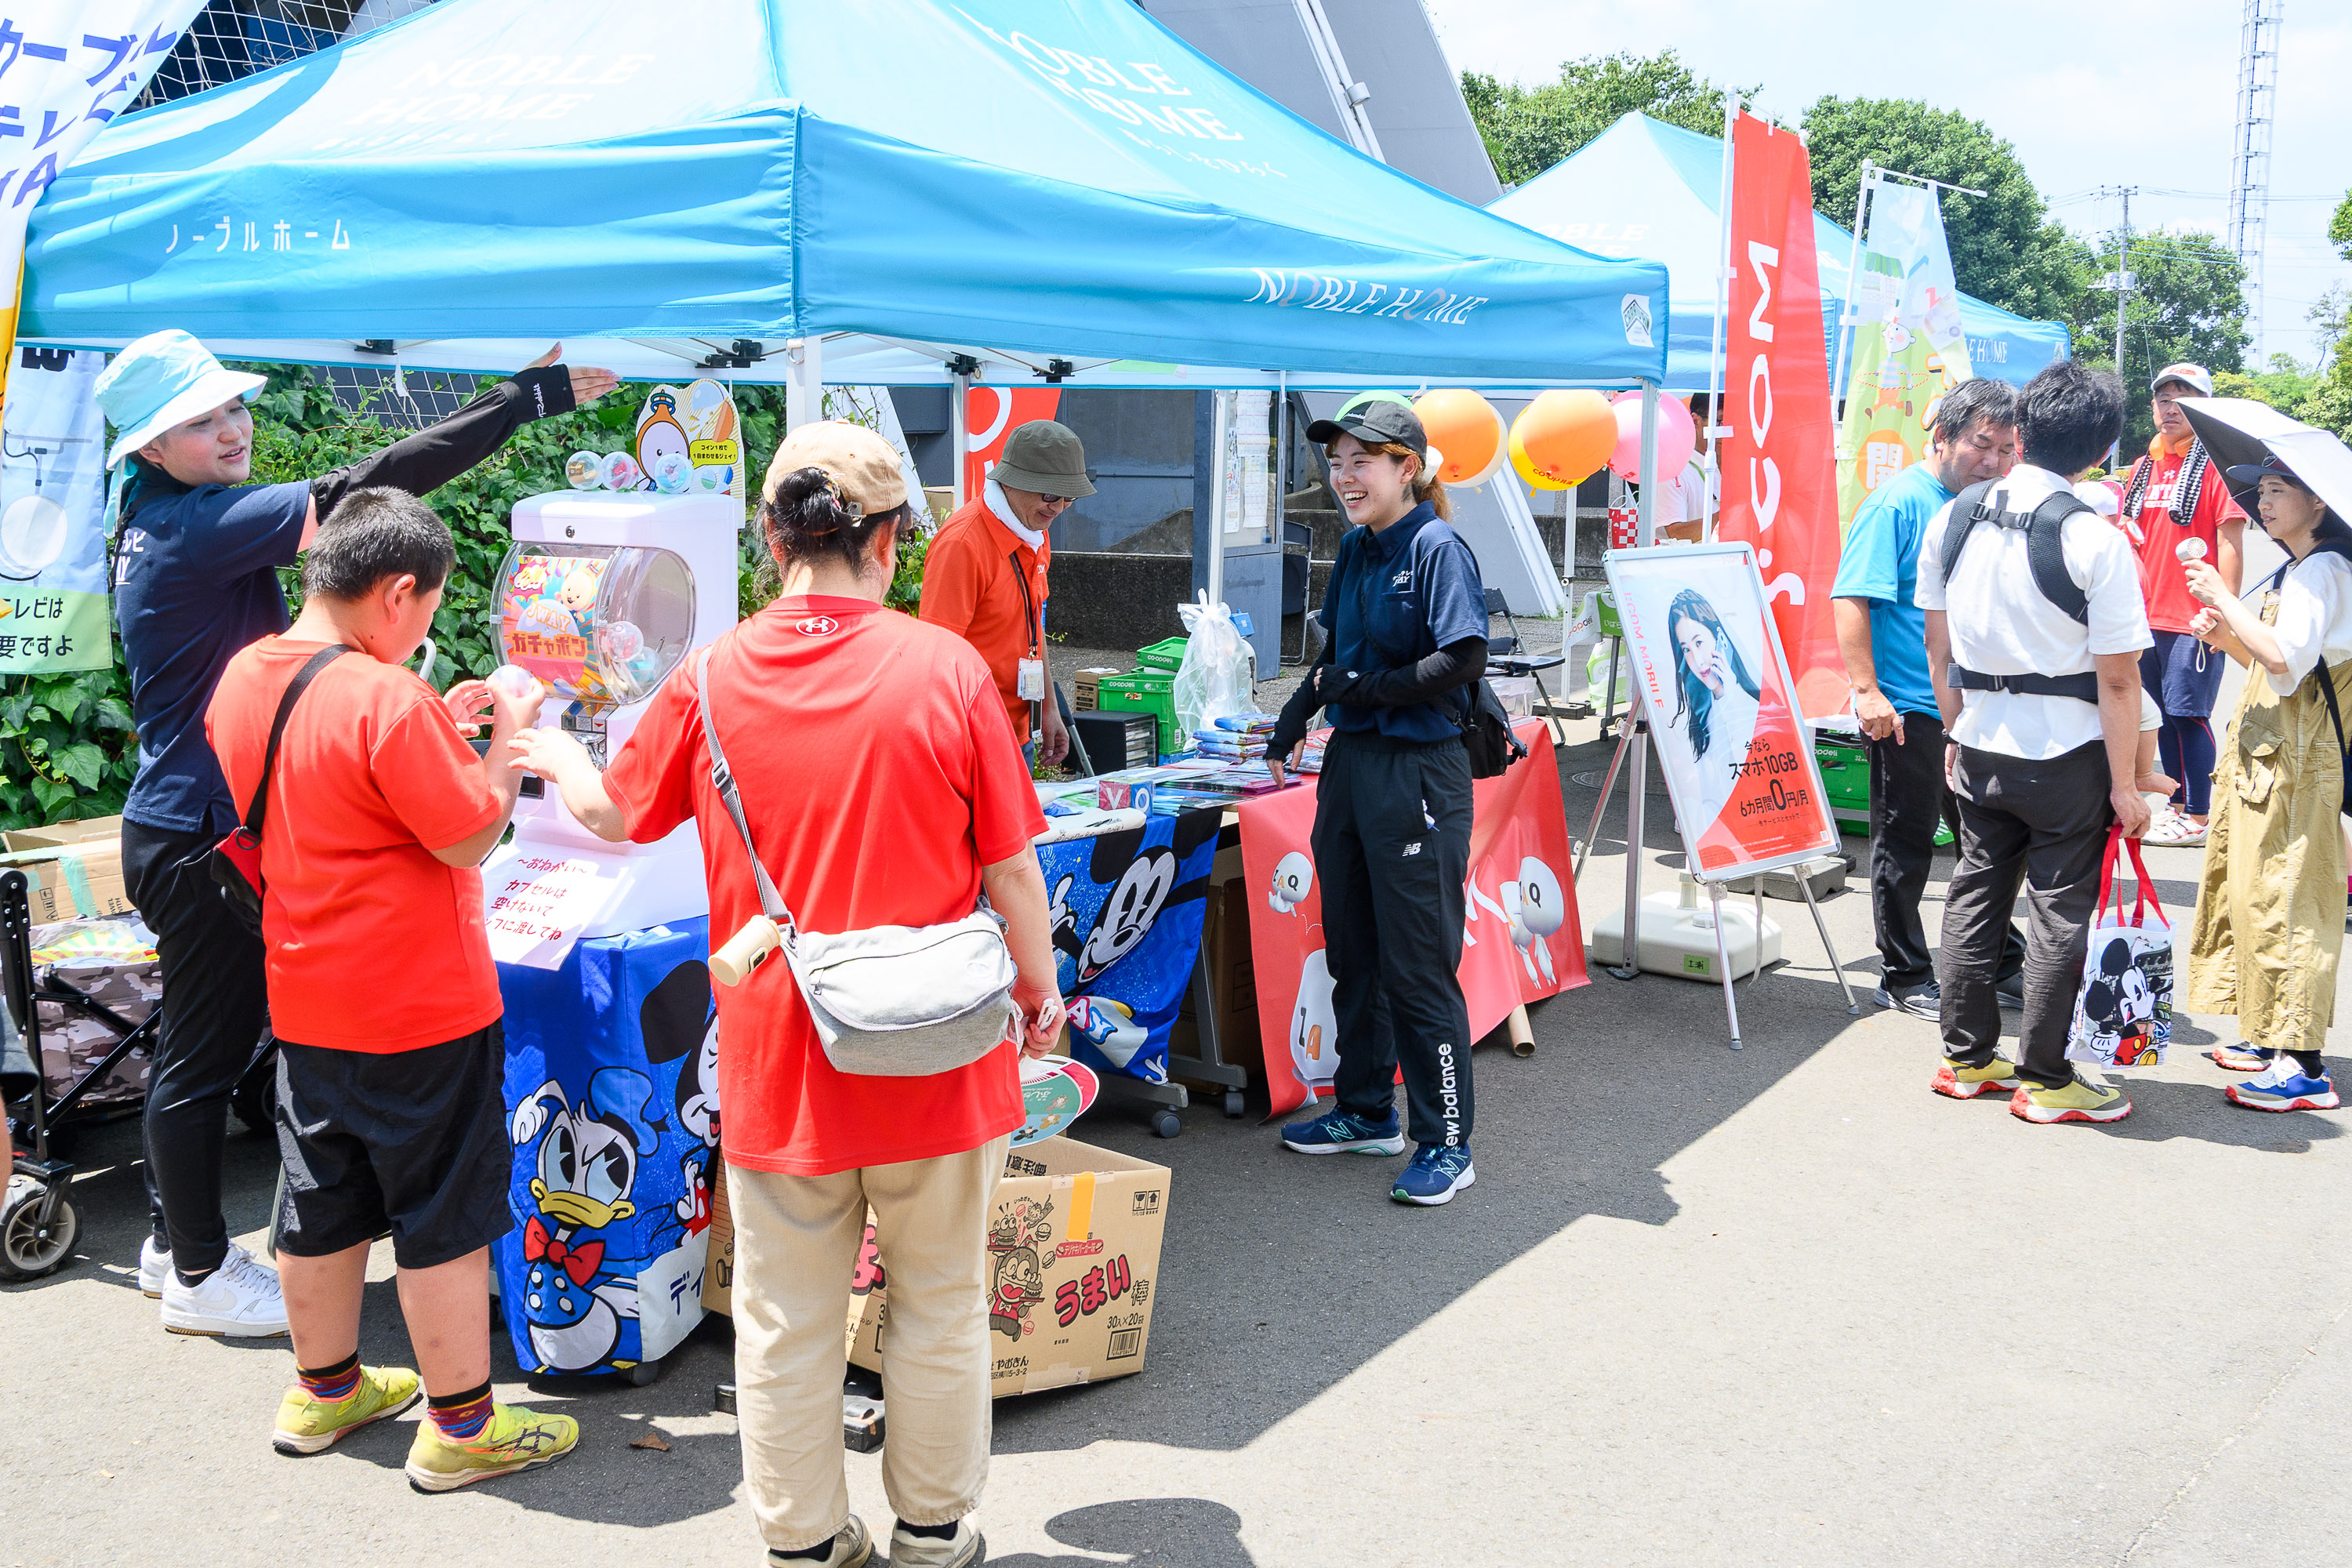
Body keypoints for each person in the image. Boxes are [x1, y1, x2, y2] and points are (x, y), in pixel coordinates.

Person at [514, 422, 1063, 1568]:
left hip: (781, 1051)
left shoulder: (710, 676)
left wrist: (551, 750)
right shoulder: (946, 668)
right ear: (890, 540)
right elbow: (1014, 870)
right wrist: (1041, 991)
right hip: (938, 1049)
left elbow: (615, 814)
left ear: (772, 539)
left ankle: (806, 1543)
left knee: (784, 1321)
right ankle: (931, 1533)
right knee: (941, 1302)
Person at [91, 328, 614, 1338]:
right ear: (151, 447)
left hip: (190, 823)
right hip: (204, 835)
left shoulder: (160, 520)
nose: (232, 429)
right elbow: (369, 492)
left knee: (202, 1048)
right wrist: (522, 402)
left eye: (233, 406)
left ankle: (173, 1240)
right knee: (201, 1057)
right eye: (200, 421)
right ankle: (198, 1269)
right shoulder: (195, 525)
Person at [205, 489, 579, 1489]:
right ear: (397, 591)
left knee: (320, 1201)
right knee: (440, 1215)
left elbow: (326, 789)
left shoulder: (246, 675)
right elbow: (467, 834)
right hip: (421, 1004)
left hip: (307, 992)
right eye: (427, 608)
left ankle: (324, 1390)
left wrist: (437, 730)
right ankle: (462, 1426)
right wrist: (506, 740)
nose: (423, 629)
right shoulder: (385, 697)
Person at [1916, 359, 2153, 1123]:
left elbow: (1938, 644)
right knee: (2058, 911)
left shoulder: (1954, 517)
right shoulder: (2094, 538)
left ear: (2019, 430)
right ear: (2103, 449)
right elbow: (2119, 681)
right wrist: (2128, 785)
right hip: (2067, 755)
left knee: (1974, 894)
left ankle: (1967, 1059)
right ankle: (2046, 1078)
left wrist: (1955, 727)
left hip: (1980, 738)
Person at [1265, 400, 1488, 1207]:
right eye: (1336, 462)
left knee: (1417, 965)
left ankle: (1447, 1140)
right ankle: (1365, 1110)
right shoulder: (1358, 547)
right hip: (1352, 766)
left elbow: (1463, 657)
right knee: (1353, 951)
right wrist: (1293, 718)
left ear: (1408, 468)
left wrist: (1367, 689)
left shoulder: (1436, 547)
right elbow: (1336, 657)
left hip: (1419, 774)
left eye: (1363, 460)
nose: (1344, 476)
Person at [1832, 379, 2029, 1018]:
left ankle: (2002, 960)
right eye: (1981, 444)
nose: (1992, 461)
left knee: (1987, 842)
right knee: (1907, 844)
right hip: (1908, 708)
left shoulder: (1986, 505)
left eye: (2005, 449)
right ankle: (1904, 974)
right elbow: (1851, 597)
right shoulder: (1898, 503)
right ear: (1941, 437)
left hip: (1969, 706)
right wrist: (1867, 691)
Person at [2180, 450, 2352, 1112]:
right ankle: (2266, 1035)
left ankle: (2302, 1065)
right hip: (2272, 753)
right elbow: (2281, 666)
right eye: (2263, 491)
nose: (2265, 502)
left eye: (2281, 490)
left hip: (2297, 759)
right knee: (2253, 890)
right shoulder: (2300, 567)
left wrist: (2222, 597)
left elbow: (2284, 657)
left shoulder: (2326, 568)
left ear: (2319, 502)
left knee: (2288, 899)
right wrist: (2226, 636)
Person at [2115, 363, 2247, 848]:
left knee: (2188, 713)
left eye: (2182, 399)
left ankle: (2199, 813)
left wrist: (2222, 610)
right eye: (2163, 398)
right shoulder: (2143, 466)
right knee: (2158, 715)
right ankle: (2176, 805)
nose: (2169, 408)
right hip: (2143, 616)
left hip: (2192, 616)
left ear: (2203, 407)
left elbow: (2230, 541)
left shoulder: (2215, 465)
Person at [920, 420, 1093, 769]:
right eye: (1050, 495)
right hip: (972, 741)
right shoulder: (962, 545)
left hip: (1017, 733)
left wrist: (1049, 708)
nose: (1058, 507)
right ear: (1011, 482)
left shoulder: (1034, 531)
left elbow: (1034, 624)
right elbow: (936, 662)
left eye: (1069, 497)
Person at [1663, 588, 1762, 827]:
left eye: (1699, 642)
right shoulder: (1698, 712)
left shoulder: (1752, 704)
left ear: (1720, 638)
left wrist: (1729, 694)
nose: (1697, 660)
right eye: (1686, 649)